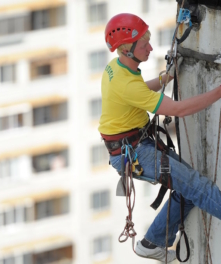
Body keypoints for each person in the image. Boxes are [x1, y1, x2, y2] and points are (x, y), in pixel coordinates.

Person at [98, 13, 221, 262]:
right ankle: (152, 242)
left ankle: (152, 242)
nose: (150, 48)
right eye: (144, 44)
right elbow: (179, 109)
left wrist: (167, 77)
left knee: (189, 189)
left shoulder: (116, 67)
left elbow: (140, 91)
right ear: (126, 49)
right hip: (134, 152)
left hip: (132, 146)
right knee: (199, 188)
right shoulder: (124, 83)